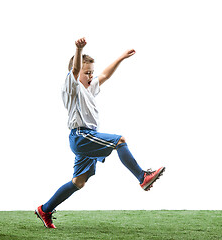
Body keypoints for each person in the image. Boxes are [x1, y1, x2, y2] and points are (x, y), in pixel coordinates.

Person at [35, 37, 165, 228]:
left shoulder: (89, 88)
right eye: (86, 73)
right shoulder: (72, 87)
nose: (90, 76)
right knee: (119, 140)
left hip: (87, 138)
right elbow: (75, 70)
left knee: (78, 182)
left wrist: (121, 57)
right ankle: (142, 177)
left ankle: (45, 209)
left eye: (91, 73)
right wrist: (78, 50)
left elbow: (105, 75)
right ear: (77, 74)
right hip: (81, 136)